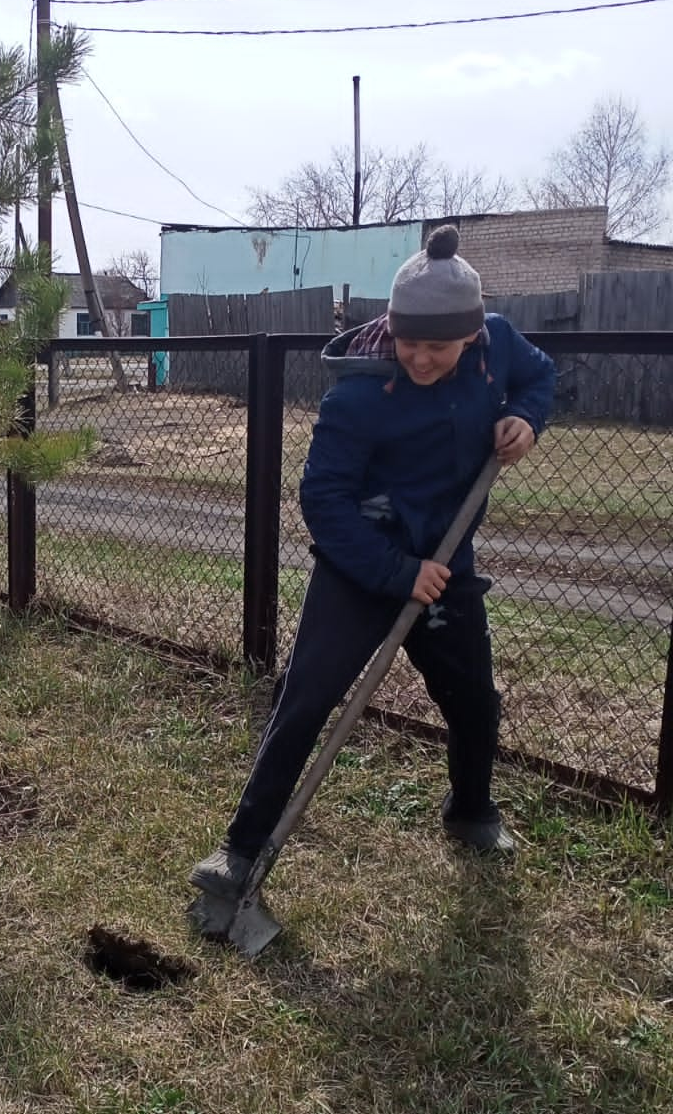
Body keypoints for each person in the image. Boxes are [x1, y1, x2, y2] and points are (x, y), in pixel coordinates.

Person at [191, 224, 556, 910]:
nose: (417, 357)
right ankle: (238, 853)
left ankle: (471, 811)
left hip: (447, 565)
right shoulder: (359, 392)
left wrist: (527, 418)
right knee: (303, 701)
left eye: (435, 346)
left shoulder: (495, 347)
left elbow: (540, 375)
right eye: (408, 340)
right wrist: (395, 573)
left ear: (471, 337)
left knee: (474, 700)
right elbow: (322, 500)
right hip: (360, 569)